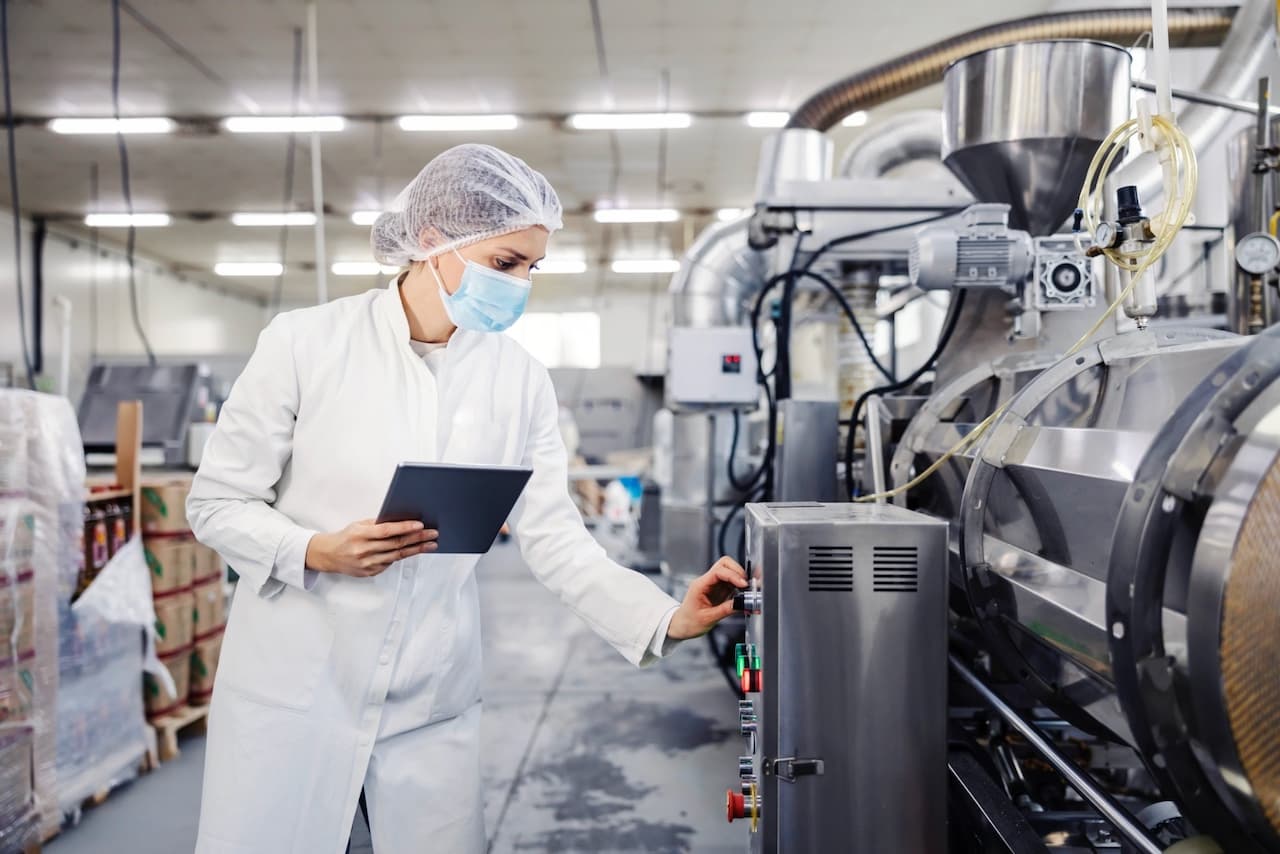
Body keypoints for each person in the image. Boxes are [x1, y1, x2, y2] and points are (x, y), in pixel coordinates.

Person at [186, 143, 746, 854]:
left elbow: (558, 541)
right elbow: (216, 503)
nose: (520, 285)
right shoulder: (306, 344)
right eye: (505, 264)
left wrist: (667, 616)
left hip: (430, 697)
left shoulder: (519, 380)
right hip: (297, 686)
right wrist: (315, 549)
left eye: (531, 268)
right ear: (432, 242)